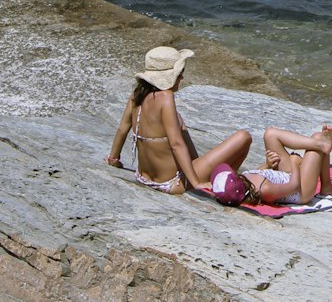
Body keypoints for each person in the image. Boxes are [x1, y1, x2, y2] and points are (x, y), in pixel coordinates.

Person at [106, 45, 253, 195]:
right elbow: (176, 144)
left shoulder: (136, 96)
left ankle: (214, 178)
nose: (182, 77)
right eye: (180, 72)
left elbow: (122, 129)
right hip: (172, 182)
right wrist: (196, 183)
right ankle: (225, 187)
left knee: (178, 120)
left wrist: (114, 158)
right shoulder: (166, 97)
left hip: (144, 178)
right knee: (244, 137)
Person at [241, 124, 332, 206]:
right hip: (301, 190)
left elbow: (257, 174)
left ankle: (322, 143)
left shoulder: (244, 178)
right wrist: (294, 164)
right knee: (318, 137)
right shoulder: (265, 190)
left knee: (270, 134)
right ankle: (326, 186)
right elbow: (293, 186)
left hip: (286, 175)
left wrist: (268, 165)